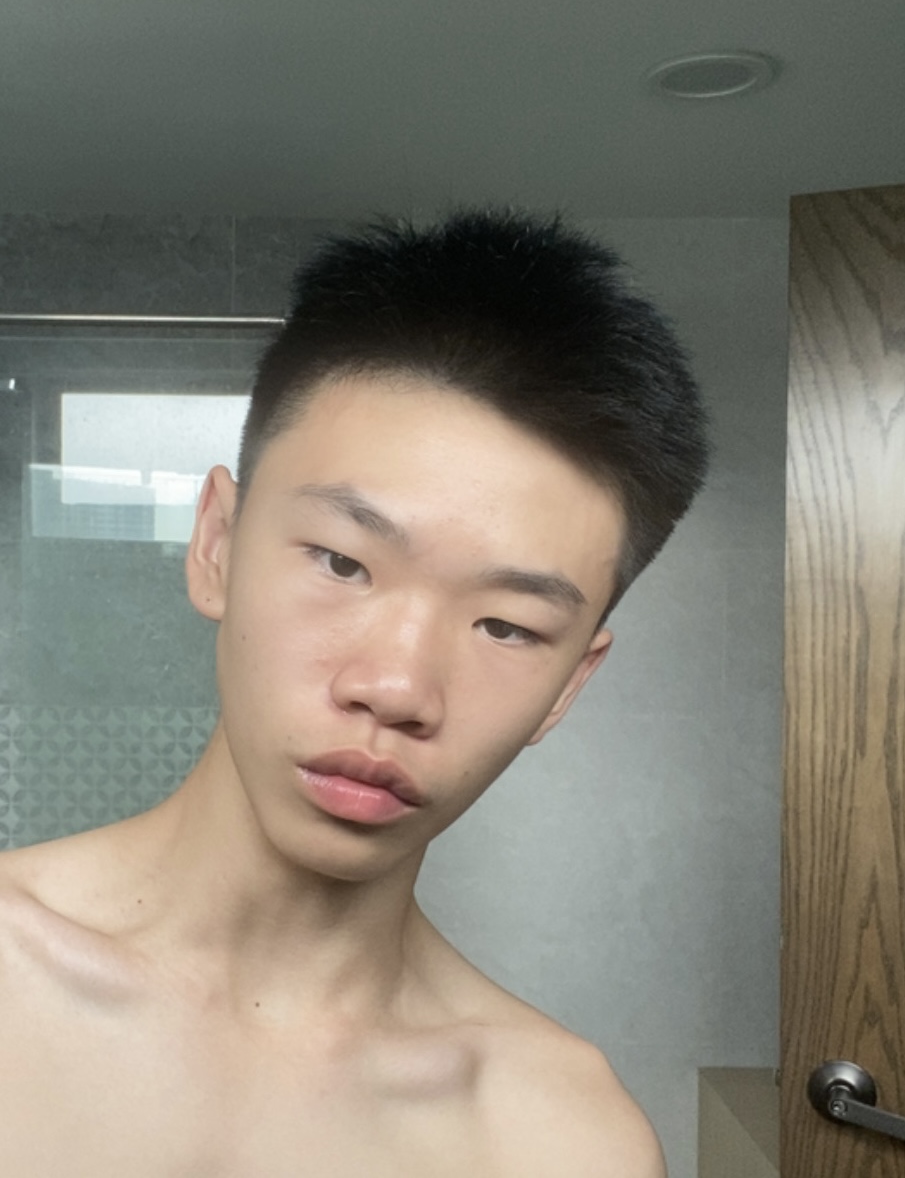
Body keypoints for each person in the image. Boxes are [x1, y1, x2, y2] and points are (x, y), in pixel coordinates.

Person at [0, 208, 708, 1176]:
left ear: (568, 686)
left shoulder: (566, 1142)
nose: (396, 687)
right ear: (216, 544)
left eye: (505, 625)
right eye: (342, 562)